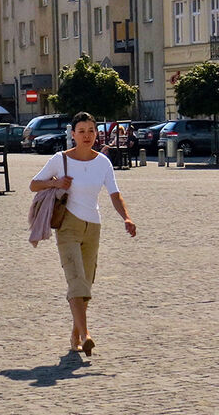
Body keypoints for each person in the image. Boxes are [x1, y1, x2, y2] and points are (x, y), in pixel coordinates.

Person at [29, 111, 136, 356]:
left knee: (86, 284)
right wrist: (55, 183)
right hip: (68, 226)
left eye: (91, 130)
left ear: (96, 133)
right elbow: (34, 184)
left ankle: (75, 333)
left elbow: (114, 194)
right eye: (81, 131)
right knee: (76, 281)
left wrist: (126, 218)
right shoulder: (60, 159)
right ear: (73, 134)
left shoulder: (103, 162)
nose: (87, 135)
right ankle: (87, 335)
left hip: (93, 227)